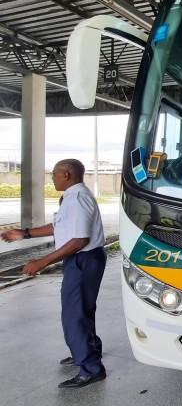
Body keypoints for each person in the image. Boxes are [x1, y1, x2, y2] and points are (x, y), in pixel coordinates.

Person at [1, 159, 107, 389]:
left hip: (82, 259)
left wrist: (42, 262)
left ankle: (90, 368)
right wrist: (25, 234)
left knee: (74, 314)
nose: (52, 178)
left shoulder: (77, 199)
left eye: (54, 174)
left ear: (66, 175)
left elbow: (79, 240)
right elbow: (59, 225)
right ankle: (88, 350)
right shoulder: (73, 196)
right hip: (84, 259)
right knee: (82, 310)